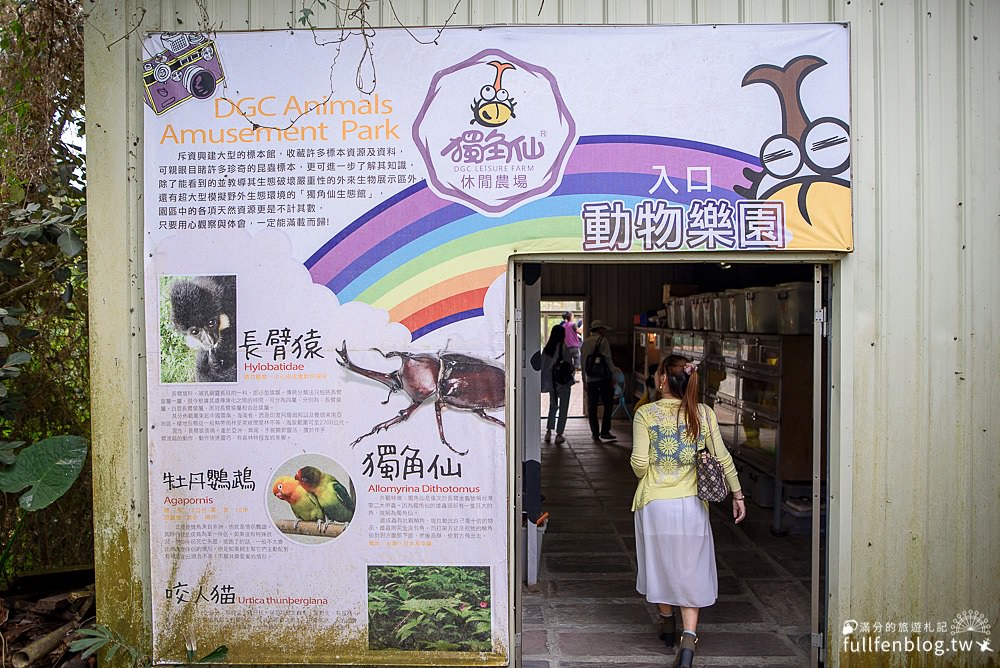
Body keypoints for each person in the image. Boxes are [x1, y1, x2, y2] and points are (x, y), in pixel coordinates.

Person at [630, 355, 746, 667]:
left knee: (661, 565)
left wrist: (654, 463)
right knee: (689, 570)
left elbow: (639, 465)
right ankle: (688, 642)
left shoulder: (646, 414)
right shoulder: (703, 413)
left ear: (664, 379)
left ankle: (666, 622)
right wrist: (738, 494)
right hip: (691, 506)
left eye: (657, 372)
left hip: (654, 505)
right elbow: (722, 458)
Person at [580, 319, 617, 442]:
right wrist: (614, 376)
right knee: (608, 404)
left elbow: (583, 362)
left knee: (592, 406)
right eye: (604, 329)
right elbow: (608, 359)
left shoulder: (585, 342)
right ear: (600, 329)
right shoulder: (603, 341)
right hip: (604, 378)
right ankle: (605, 431)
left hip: (591, 379)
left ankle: (595, 433)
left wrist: (584, 381)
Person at [539, 324, 575, 444]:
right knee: (563, 408)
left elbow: (543, 367)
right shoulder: (563, 348)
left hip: (552, 384)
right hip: (563, 383)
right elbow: (569, 364)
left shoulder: (547, 349)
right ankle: (559, 434)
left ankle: (548, 432)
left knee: (553, 407)